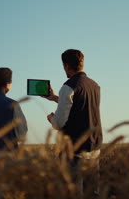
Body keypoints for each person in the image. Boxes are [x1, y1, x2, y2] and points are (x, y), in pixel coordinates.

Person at [43, 49, 102, 196]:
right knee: (92, 194)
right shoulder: (95, 85)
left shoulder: (68, 86)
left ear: (67, 66)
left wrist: (51, 118)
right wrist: (56, 98)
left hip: (74, 154)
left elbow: (58, 123)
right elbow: (80, 107)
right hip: (94, 149)